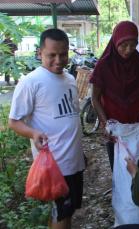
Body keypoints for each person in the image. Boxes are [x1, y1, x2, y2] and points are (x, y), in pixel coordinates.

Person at [8, 28, 85, 229]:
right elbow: (14, 121)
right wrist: (33, 133)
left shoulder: (69, 79)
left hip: (74, 160)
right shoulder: (31, 82)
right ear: (40, 53)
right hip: (54, 165)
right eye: (52, 55)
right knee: (61, 213)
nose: (58, 60)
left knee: (68, 211)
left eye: (63, 54)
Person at [90, 21, 139, 170]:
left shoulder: (137, 61)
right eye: (123, 45)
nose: (128, 50)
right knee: (118, 165)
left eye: (133, 45)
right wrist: (106, 124)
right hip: (115, 124)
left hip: (137, 122)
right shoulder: (104, 65)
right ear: (116, 41)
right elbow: (95, 98)